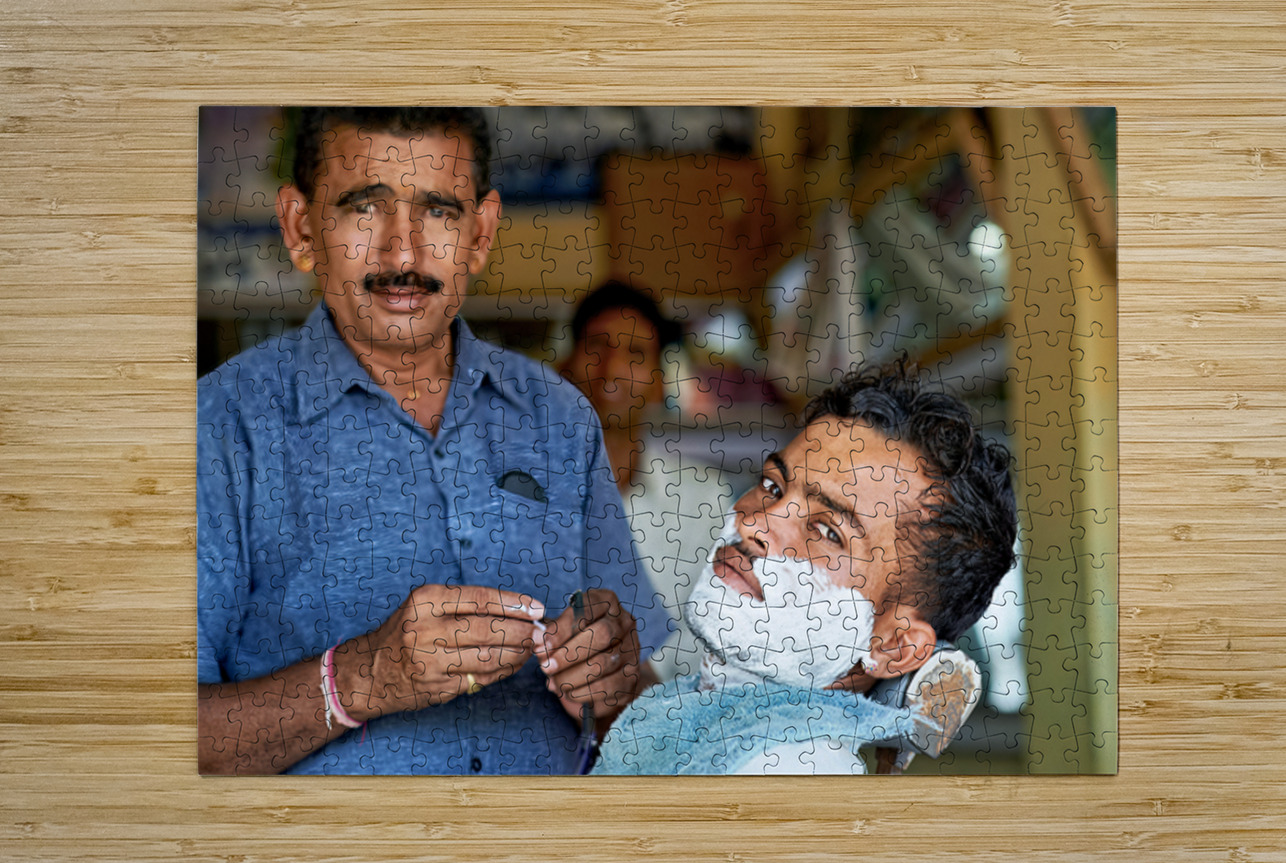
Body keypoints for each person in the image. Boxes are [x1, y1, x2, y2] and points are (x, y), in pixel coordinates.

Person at [197, 107, 669, 775]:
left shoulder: (561, 417)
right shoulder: (218, 429)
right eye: (366, 209)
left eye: (440, 213)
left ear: (481, 233)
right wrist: (359, 680)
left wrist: (615, 685)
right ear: (301, 227)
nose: (404, 254)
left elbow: (637, 706)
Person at [592, 360, 1018, 774]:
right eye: (772, 486)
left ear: (893, 646)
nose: (754, 522)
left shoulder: (793, 780)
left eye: (828, 531)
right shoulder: (696, 724)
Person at [559, 282, 732, 682]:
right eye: (597, 348)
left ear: (658, 382)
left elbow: (714, 635)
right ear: (564, 367)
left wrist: (640, 687)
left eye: (635, 354)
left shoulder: (705, 497)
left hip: (663, 726)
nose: (613, 369)